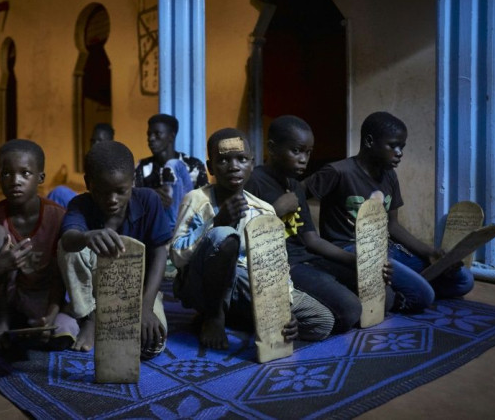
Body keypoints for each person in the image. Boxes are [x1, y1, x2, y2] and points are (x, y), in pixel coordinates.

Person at [171, 128, 334, 350]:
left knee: (322, 322)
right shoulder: (196, 200)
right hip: (201, 284)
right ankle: (214, 317)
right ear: (210, 168)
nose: (234, 166)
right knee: (223, 236)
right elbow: (178, 257)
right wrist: (216, 222)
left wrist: (283, 306)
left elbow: (276, 265)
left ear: (251, 164)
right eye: (224, 160)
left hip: (247, 284)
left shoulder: (264, 210)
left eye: (242, 159)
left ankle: (240, 317)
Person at [304, 111, 474, 312]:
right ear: (369, 141)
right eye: (393, 145)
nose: (399, 152)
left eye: (402, 147)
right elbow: (297, 196)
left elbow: (392, 225)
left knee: (464, 280)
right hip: (350, 249)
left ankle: (398, 286)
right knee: (423, 296)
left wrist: (429, 252)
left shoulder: (390, 176)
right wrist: (310, 237)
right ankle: (395, 295)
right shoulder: (338, 172)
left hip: (387, 248)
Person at [245, 116, 379, 335]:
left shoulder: (295, 186)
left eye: (308, 152)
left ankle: (322, 300)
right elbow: (246, 235)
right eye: (296, 151)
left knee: (383, 293)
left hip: (308, 259)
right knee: (351, 310)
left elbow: (312, 239)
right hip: (282, 266)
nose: (303, 159)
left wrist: (356, 261)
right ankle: (282, 318)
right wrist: (277, 209)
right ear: (272, 148)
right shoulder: (254, 182)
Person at [56, 140, 169, 359]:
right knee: (68, 246)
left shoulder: (149, 201)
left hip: (139, 291)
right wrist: (86, 237)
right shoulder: (81, 204)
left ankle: (119, 316)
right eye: (103, 192)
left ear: (133, 180)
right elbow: (68, 241)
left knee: (150, 345)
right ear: (88, 183)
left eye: (120, 191)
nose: (112, 200)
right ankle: (90, 316)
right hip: (95, 293)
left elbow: (160, 252)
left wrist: (146, 307)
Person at [0, 139, 75, 350]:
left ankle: (43, 320)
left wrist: (51, 313)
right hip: (5, 296)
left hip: (46, 295)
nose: (15, 181)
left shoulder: (58, 218)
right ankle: (2, 317)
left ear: (40, 178)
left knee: (60, 333)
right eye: (7, 174)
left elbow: (60, 275)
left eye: (25, 173)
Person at [134, 114, 208, 229]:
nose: (151, 138)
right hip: (152, 226)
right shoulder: (142, 167)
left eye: (157, 134)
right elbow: (132, 201)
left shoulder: (194, 165)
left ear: (171, 136)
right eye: (149, 134)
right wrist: (152, 198)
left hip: (187, 225)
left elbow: (204, 203)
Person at [47, 123, 115, 208]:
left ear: (110, 143)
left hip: (101, 210)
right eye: (93, 141)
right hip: (91, 204)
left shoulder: (113, 164)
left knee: (59, 193)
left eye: (100, 141)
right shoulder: (94, 161)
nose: (95, 144)